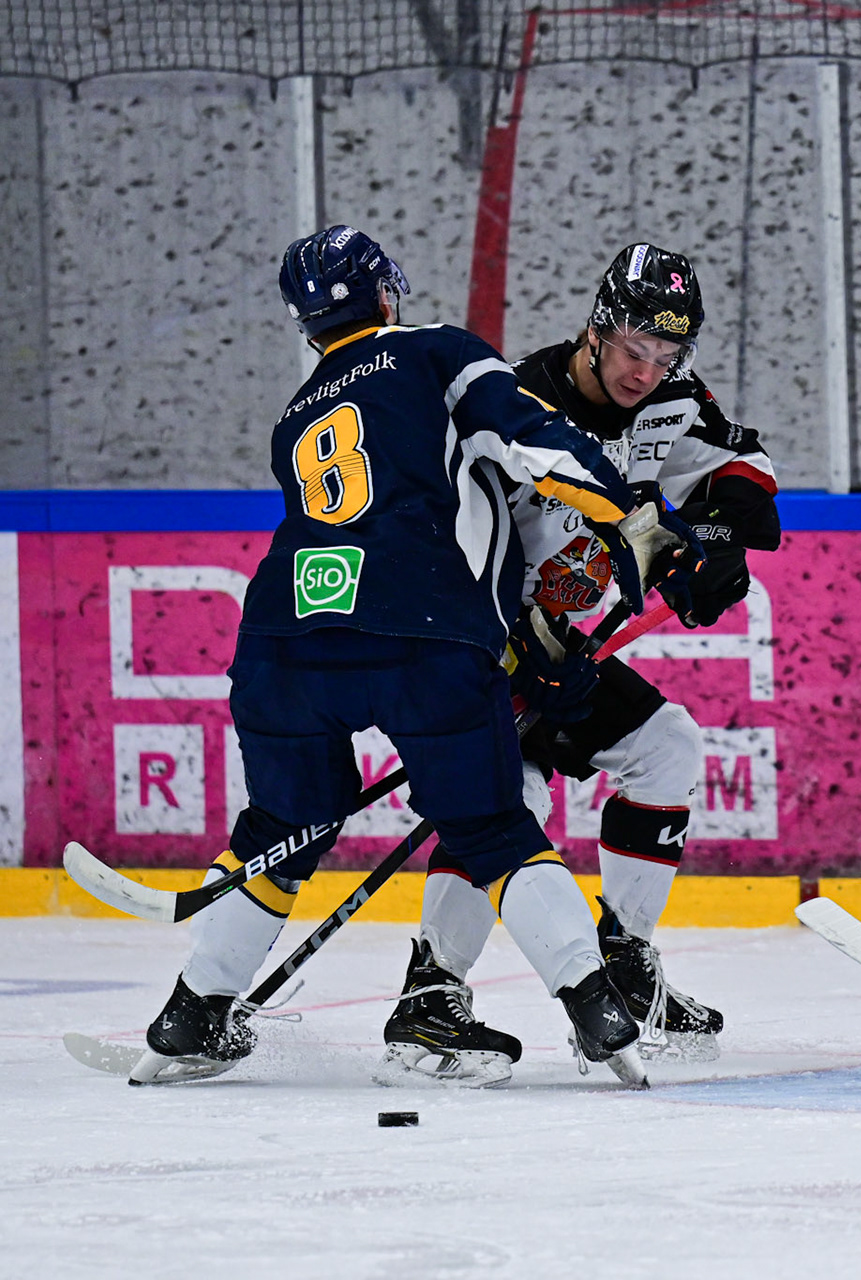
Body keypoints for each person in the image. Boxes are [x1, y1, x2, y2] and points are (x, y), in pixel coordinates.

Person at [137, 225, 699, 1088]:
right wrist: (633, 520)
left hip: (283, 642)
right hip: (423, 633)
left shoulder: (297, 413)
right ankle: (598, 1008)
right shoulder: (436, 351)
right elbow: (539, 445)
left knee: (280, 828)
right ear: (386, 293)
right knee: (492, 826)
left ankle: (191, 1013)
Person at [381, 242, 780, 1081]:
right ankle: (430, 998)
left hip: (568, 650)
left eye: (668, 355)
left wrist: (714, 539)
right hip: (480, 648)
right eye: (635, 348)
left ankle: (627, 963)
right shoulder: (513, 404)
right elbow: (442, 547)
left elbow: (741, 466)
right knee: (508, 800)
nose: (648, 372)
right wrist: (514, 646)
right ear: (595, 330)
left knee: (666, 746)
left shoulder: (670, 399)